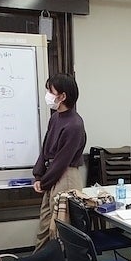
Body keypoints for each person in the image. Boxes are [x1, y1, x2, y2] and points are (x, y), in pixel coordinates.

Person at [32, 73, 87, 250]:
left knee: (60, 229)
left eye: (51, 91)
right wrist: (38, 175)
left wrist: (44, 181)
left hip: (66, 177)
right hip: (52, 174)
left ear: (62, 96)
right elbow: (46, 148)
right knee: (45, 225)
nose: (47, 94)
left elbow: (62, 161)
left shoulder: (74, 124)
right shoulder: (55, 118)